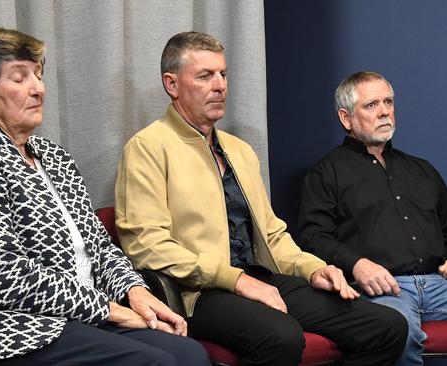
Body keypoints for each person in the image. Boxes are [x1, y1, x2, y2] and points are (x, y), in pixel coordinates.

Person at [0, 28, 210, 366]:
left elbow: (100, 246)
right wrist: (107, 309)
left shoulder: (54, 157)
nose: (38, 89)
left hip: (69, 316)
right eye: (20, 78)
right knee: (155, 362)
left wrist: (134, 292)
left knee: (190, 354)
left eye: (39, 75)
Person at [115, 31, 407, 366]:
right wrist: (235, 280)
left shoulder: (239, 150)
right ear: (172, 84)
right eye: (205, 76)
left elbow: (272, 236)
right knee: (281, 338)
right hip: (199, 294)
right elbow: (147, 246)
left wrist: (313, 269)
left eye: (223, 74)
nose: (220, 85)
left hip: (260, 278)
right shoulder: (147, 148)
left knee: (387, 326)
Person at [296, 70, 447, 366]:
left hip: (442, 285)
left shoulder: (422, 170)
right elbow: (313, 238)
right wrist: (358, 265)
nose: (384, 112)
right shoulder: (326, 173)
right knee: (398, 335)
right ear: (346, 118)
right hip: (380, 290)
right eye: (371, 105)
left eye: (388, 102)